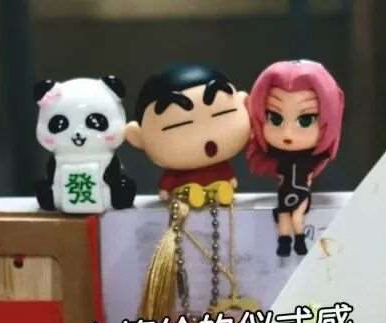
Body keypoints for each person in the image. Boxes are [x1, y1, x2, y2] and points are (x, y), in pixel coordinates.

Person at [245, 60, 344, 256]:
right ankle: (285, 244)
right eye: (275, 118)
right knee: (284, 217)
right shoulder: (277, 158)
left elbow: (308, 176)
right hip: (285, 191)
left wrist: (306, 182)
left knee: (297, 218)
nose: (287, 133)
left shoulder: (310, 161)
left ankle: (299, 242)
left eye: (305, 120)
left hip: (300, 191)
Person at [124, 64, 250, 207]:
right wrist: (165, 189)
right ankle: (191, 194)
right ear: (137, 137)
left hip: (217, 186)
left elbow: (226, 172)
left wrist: (230, 179)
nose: (206, 138)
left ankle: (221, 192)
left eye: (222, 114)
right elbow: (169, 181)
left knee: (222, 187)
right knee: (188, 191)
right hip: (184, 189)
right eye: (179, 125)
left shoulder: (221, 166)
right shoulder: (175, 172)